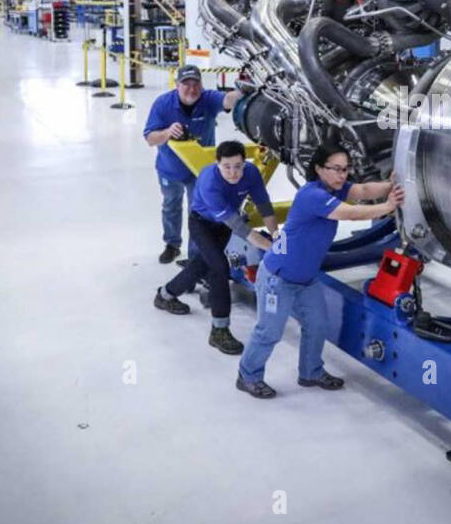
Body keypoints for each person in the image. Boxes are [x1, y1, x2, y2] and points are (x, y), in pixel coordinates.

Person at [236, 143, 403, 399]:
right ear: (318, 169)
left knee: (317, 326)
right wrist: (386, 207)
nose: (342, 175)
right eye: (335, 169)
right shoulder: (312, 195)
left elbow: (365, 189)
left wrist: (391, 186)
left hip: (306, 278)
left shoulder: (336, 188)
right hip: (278, 278)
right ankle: (248, 376)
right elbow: (350, 213)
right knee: (269, 331)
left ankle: (311, 372)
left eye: (345, 169)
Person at [154, 140, 280, 355]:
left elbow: (265, 205)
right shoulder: (209, 181)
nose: (233, 172)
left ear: (244, 163)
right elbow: (240, 227)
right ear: (217, 164)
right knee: (219, 269)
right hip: (202, 224)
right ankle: (219, 331)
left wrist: (277, 235)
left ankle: (165, 295)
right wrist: (272, 248)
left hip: (223, 226)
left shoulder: (251, 173)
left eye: (238, 166)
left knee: (201, 266)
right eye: (227, 167)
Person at [143, 65, 241, 264]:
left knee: (198, 213)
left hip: (200, 171)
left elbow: (228, 100)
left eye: (196, 83)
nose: (191, 89)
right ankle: (172, 244)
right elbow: (150, 138)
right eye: (186, 84)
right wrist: (167, 132)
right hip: (170, 170)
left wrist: (245, 92)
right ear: (177, 85)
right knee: (171, 205)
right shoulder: (163, 104)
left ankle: (195, 256)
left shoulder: (208, 99)